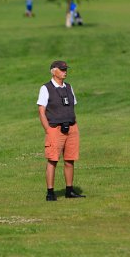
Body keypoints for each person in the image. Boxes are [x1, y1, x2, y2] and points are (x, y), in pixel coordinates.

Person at [37, 60, 86, 201]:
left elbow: (71, 106)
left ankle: (69, 191)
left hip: (71, 127)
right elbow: (41, 111)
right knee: (52, 160)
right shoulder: (45, 88)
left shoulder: (69, 87)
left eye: (66, 69)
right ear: (53, 71)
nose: (65, 71)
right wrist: (48, 129)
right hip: (55, 129)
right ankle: (50, 192)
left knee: (70, 160)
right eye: (62, 69)